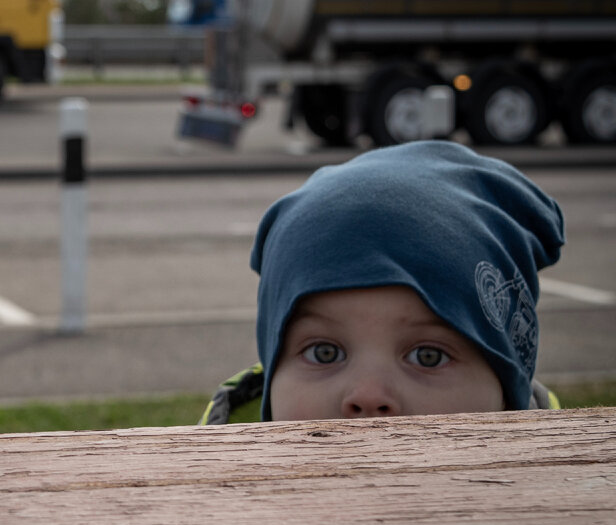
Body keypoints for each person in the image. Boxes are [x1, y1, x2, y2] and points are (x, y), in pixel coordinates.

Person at [200, 140, 566, 424]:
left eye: (428, 356)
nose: (368, 395)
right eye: (323, 352)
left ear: (507, 395)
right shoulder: (209, 492)